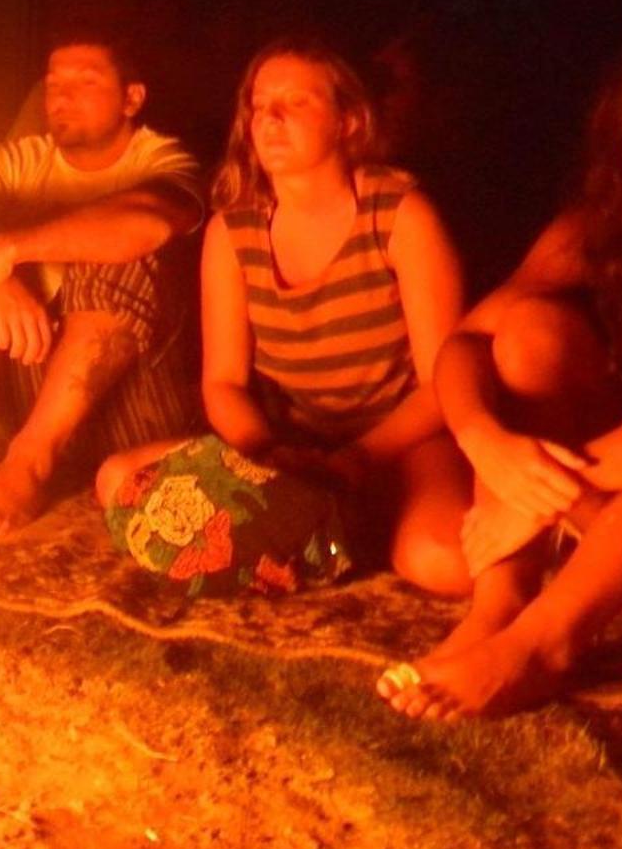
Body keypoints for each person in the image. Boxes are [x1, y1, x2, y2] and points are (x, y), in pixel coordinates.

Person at [380, 12, 622, 719]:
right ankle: (504, 607)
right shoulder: (607, 226)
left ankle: (547, 643)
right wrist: (487, 442)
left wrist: (537, 492)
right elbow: (464, 346)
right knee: (528, 330)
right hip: (612, 510)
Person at [95, 40, 471, 595]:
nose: (268, 119)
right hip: (291, 445)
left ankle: (335, 528)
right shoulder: (234, 230)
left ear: (347, 121)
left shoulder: (400, 218)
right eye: (258, 103)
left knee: (444, 562)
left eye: (295, 103)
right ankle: (316, 530)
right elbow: (222, 382)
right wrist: (266, 452)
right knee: (118, 479)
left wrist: (357, 460)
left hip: (398, 441)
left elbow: (443, 383)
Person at [0, 30, 203, 534]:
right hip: (33, 376)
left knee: (120, 253)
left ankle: (29, 466)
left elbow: (145, 221)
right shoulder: (23, 159)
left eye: (85, 81)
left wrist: (9, 248)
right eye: (54, 82)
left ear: (132, 98)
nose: (61, 96)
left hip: (133, 408)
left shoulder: (164, 160)